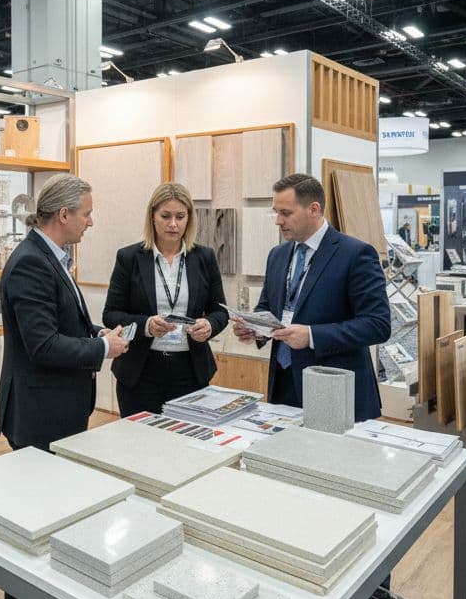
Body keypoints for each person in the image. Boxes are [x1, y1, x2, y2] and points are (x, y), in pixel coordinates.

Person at [0, 173, 129, 599]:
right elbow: (42, 344)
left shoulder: (51, 258)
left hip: (57, 410)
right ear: (64, 214)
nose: (92, 221)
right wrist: (100, 347)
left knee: (53, 518)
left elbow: (60, 326)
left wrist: (97, 333)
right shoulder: (31, 263)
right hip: (38, 414)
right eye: (87, 213)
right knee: (32, 527)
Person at [232, 174, 391, 421]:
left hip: (335, 388)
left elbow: (377, 325)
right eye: (276, 212)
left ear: (313, 209)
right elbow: (268, 307)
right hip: (283, 384)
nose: (278, 221)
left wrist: (312, 336)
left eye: (285, 213)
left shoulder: (356, 254)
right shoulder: (277, 255)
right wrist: (255, 329)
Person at [102, 182, 228, 416]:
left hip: (190, 369)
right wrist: (147, 325)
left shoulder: (204, 257)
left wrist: (210, 325)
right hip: (141, 370)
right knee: (140, 444)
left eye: (180, 217)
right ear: (152, 217)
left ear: (189, 219)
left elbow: (220, 311)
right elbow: (111, 314)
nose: (173, 224)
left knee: (185, 446)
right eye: (166, 216)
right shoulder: (129, 257)